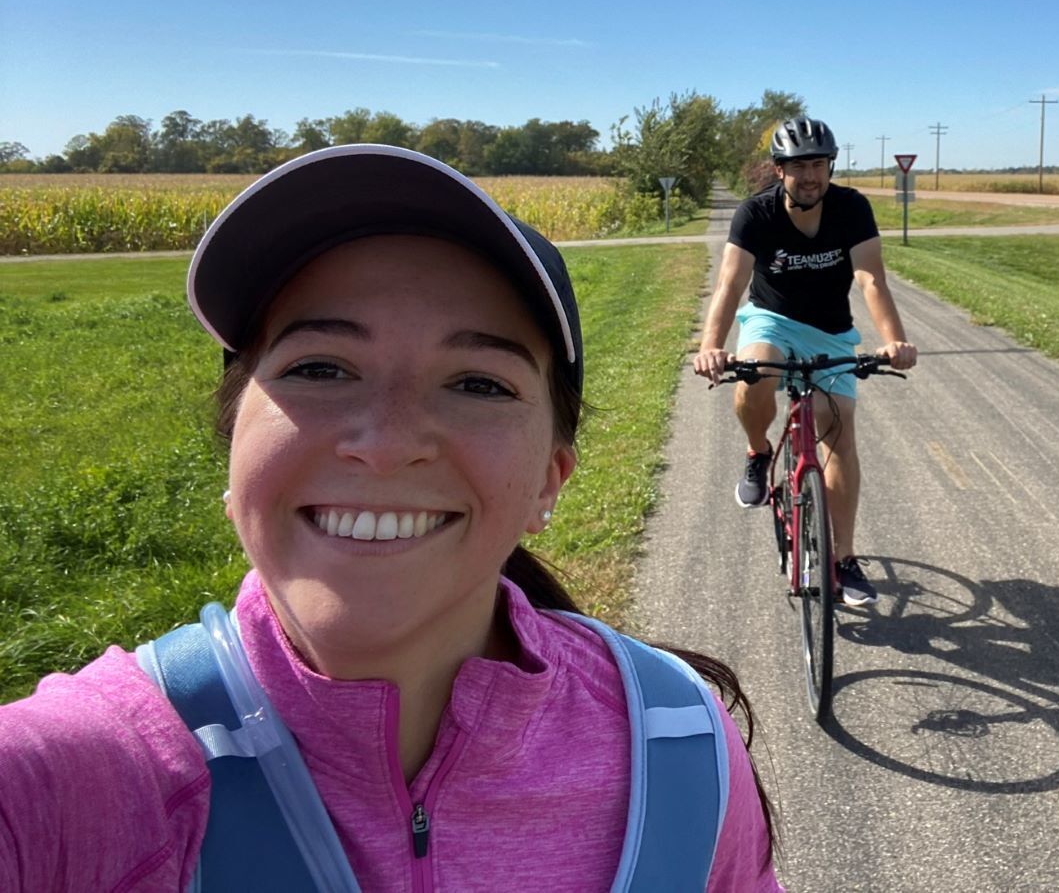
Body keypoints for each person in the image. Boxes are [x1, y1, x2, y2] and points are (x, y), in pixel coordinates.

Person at [0, 144, 781, 892]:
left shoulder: (680, 740)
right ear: (232, 449)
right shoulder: (81, 777)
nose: (386, 444)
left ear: (552, 478)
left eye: (478, 383)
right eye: (320, 368)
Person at [692, 117, 917, 606]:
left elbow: (871, 279)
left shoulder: (851, 208)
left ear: (830, 166)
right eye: (799, 166)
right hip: (771, 318)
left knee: (838, 430)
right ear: (779, 170)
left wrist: (895, 341)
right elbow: (730, 285)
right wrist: (710, 344)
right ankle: (757, 453)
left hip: (831, 330)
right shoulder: (756, 214)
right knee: (757, 370)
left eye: (819, 164)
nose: (811, 176)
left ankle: (845, 560)